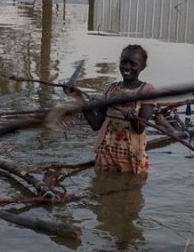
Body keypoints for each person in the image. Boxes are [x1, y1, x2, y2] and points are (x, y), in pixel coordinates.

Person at [66, 44, 156, 174]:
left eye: (133, 63)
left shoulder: (147, 90)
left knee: (131, 190)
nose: (127, 67)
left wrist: (132, 118)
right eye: (124, 62)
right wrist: (79, 98)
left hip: (131, 155)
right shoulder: (111, 89)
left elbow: (140, 127)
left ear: (142, 67)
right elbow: (96, 124)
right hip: (106, 152)